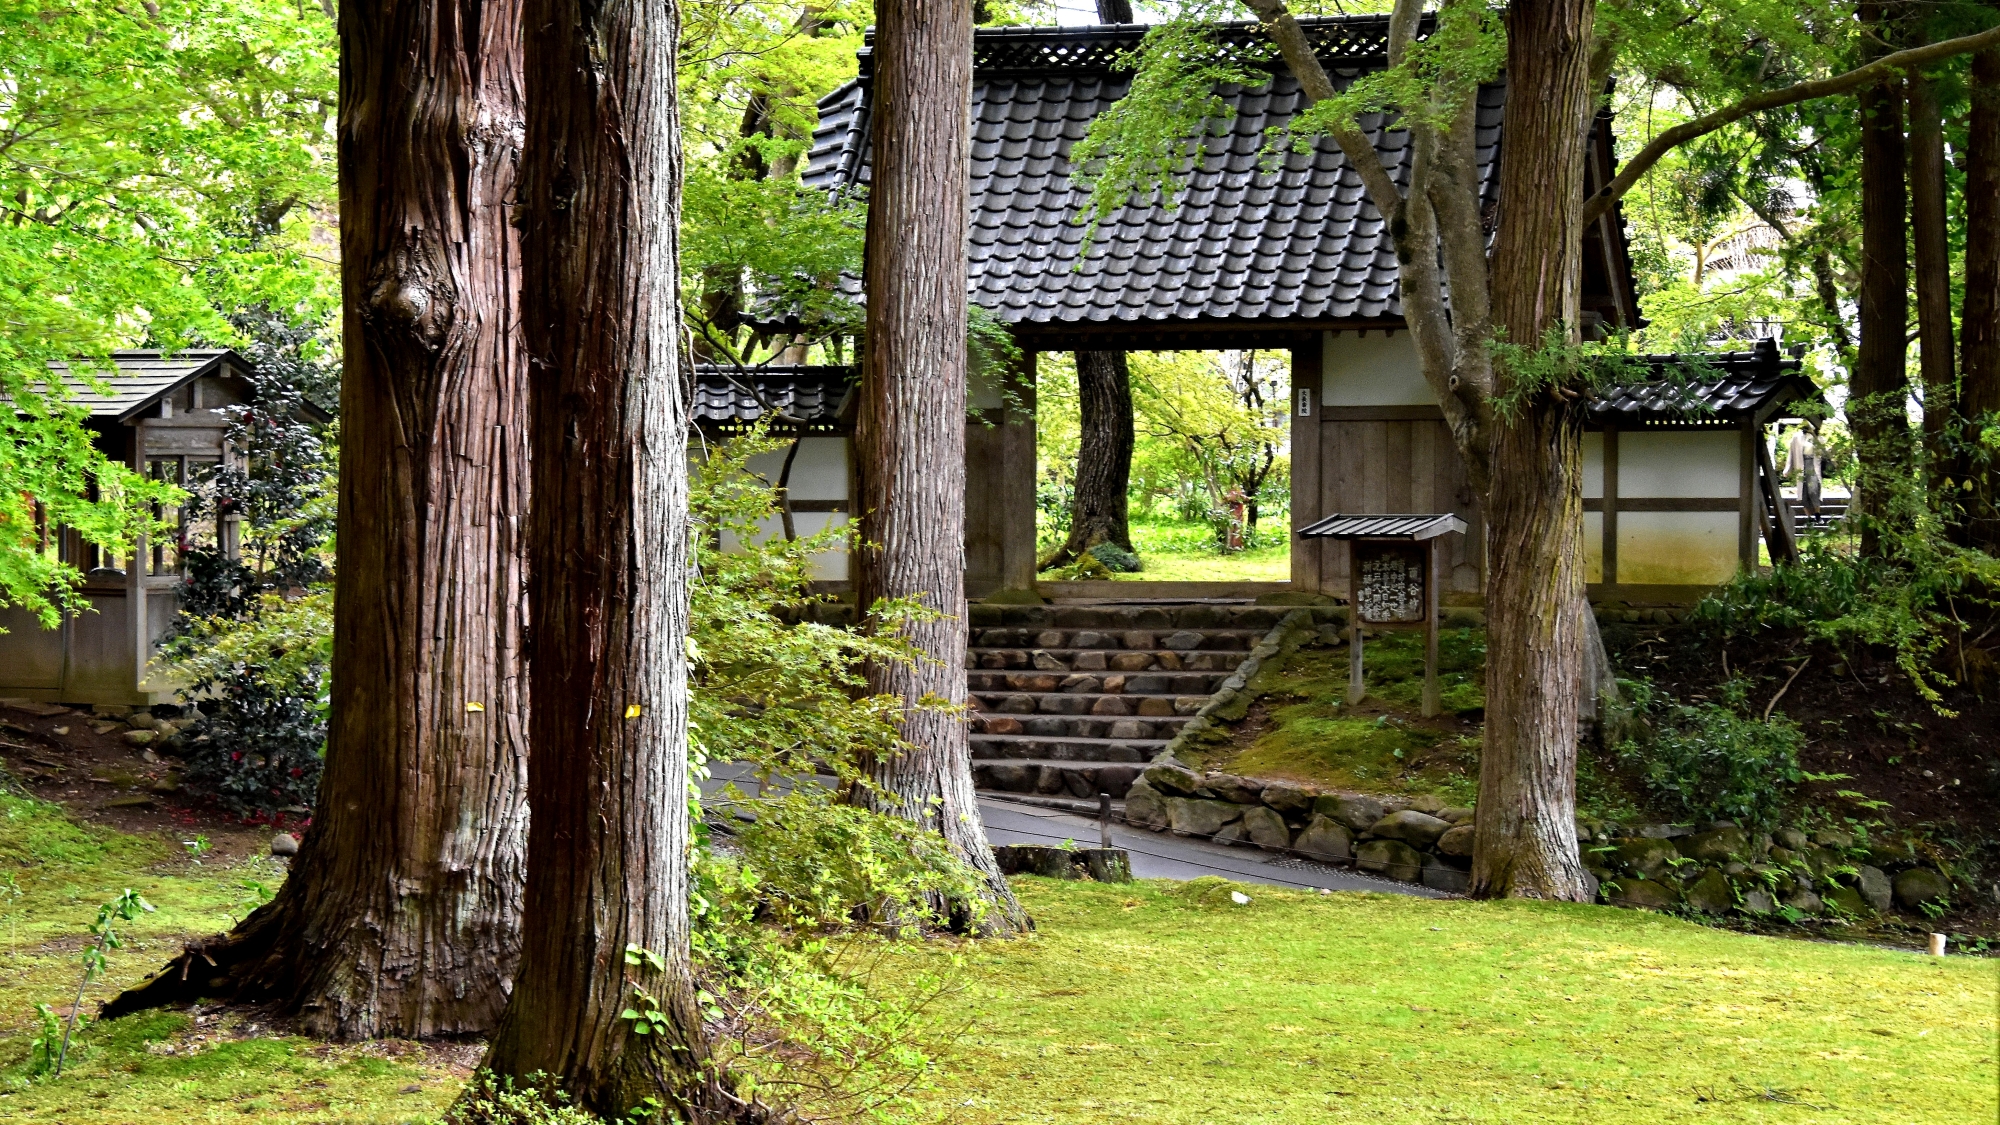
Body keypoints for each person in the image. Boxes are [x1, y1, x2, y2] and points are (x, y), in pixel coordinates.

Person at [1783, 423, 1822, 519]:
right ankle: (1809, 517)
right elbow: (1791, 454)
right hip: (1801, 465)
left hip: (1813, 466)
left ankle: (1817, 515)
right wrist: (1787, 469)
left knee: (1814, 490)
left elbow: (1823, 453)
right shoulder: (1797, 437)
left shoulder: (1818, 437)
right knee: (1803, 493)